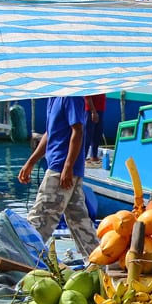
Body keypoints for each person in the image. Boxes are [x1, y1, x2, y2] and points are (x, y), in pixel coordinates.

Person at [18, 96, 100, 259]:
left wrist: (68, 167)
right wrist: (30, 162)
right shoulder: (53, 98)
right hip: (59, 167)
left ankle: (25, 261)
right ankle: (99, 263)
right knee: (80, 221)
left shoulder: (71, 96)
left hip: (61, 170)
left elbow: (78, 131)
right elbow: (50, 134)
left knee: (40, 219)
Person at [84, 94, 106, 162]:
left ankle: (94, 155)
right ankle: (83, 157)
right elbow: (87, 96)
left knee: (97, 134)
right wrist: (93, 111)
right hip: (90, 111)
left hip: (100, 109)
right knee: (87, 135)